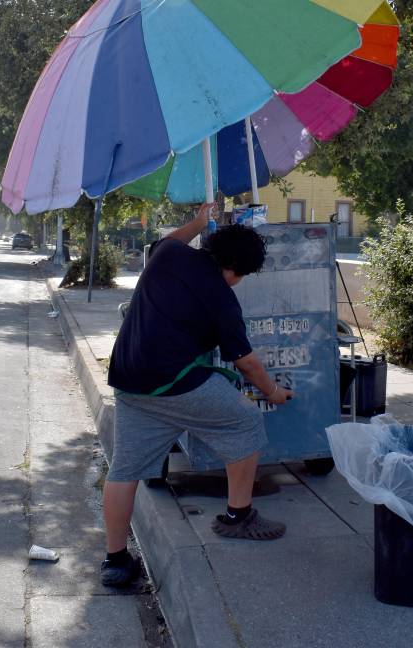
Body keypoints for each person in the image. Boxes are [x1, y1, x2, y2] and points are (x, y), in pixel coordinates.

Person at [100, 203, 295, 588]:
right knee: (246, 424)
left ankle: (115, 560)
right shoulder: (222, 298)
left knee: (124, 470)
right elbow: (247, 363)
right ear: (237, 270)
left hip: (130, 380)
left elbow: (168, 241)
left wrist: (197, 222)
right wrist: (273, 392)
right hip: (177, 383)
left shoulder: (169, 254)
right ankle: (239, 517)